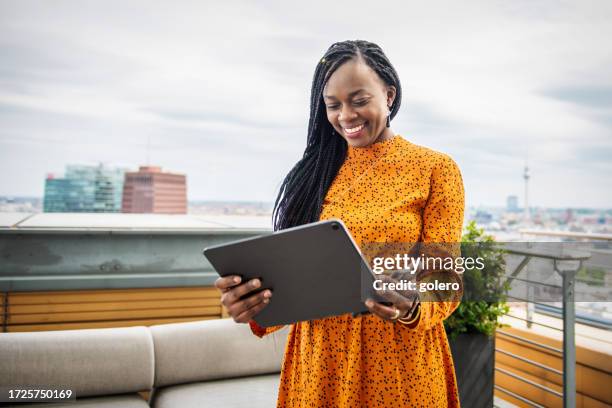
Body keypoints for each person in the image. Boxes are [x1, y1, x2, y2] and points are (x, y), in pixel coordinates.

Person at [215, 40, 465, 407]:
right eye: (333, 105)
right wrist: (253, 305)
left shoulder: (435, 169)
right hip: (319, 364)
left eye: (359, 100)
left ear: (389, 95)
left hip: (400, 365)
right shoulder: (314, 175)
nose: (346, 115)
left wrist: (413, 303)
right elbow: (294, 280)